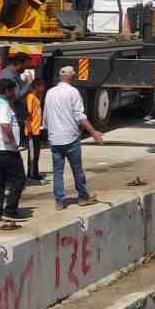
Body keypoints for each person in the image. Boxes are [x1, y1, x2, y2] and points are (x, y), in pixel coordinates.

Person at [45, 66, 104, 210]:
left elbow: (46, 116)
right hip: (70, 137)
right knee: (77, 169)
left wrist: (49, 131)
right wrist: (94, 132)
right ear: (71, 77)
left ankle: (59, 201)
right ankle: (83, 197)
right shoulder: (73, 92)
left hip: (55, 138)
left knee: (57, 171)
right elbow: (80, 116)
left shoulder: (50, 93)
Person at [0, 79, 26, 221]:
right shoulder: (3, 105)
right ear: (7, 91)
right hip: (6, 149)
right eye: (13, 90)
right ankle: (10, 211)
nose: (15, 93)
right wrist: (13, 142)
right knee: (19, 179)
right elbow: (5, 125)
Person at [24, 78, 47, 182]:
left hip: (37, 130)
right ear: (37, 86)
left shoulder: (36, 97)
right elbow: (28, 114)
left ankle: (35, 172)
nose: (43, 88)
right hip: (32, 130)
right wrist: (28, 129)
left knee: (36, 153)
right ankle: (31, 174)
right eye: (42, 86)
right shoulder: (30, 97)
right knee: (32, 154)